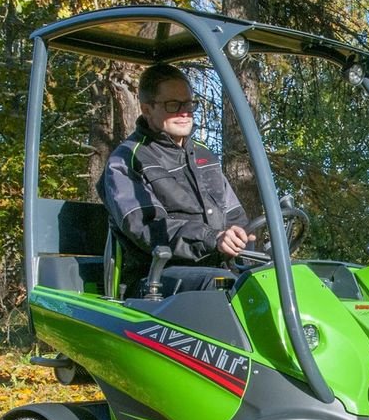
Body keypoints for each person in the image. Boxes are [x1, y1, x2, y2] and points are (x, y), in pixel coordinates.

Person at [98, 63, 253, 285]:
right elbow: (148, 228)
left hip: (214, 267)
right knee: (223, 286)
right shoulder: (126, 160)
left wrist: (243, 237)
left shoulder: (204, 156)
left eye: (189, 104)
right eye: (173, 105)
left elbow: (235, 215)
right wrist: (212, 238)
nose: (184, 113)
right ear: (147, 109)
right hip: (155, 275)